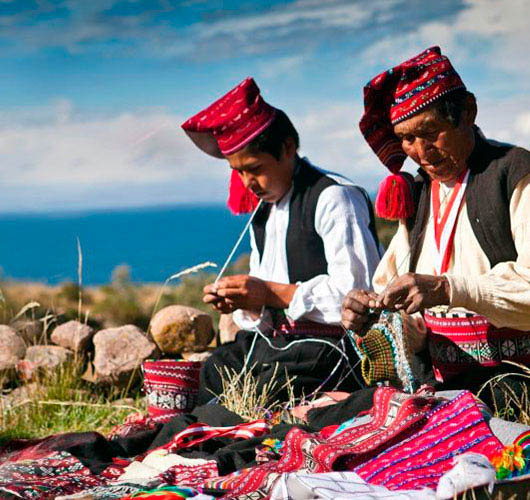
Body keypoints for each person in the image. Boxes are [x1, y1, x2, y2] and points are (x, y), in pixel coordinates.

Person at [341, 46, 530, 403]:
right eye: (407, 139)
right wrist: (370, 315)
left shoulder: (514, 174)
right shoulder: (419, 195)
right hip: (446, 385)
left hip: (515, 383)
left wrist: (446, 289)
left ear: (468, 112)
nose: (421, 152)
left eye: (430, 132)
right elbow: (405, 315)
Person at [181, 77, 382, 404]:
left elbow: (360, 297)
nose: (247, 182)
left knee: (270, 386)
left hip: (332, 351)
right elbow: (264, 309)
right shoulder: (263, 214)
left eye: (255, 168)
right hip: (281, 346)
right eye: (238, 172)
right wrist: (246, 302)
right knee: (216, 368)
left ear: (287, 148)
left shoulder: (335, 198)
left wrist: (270, 293)